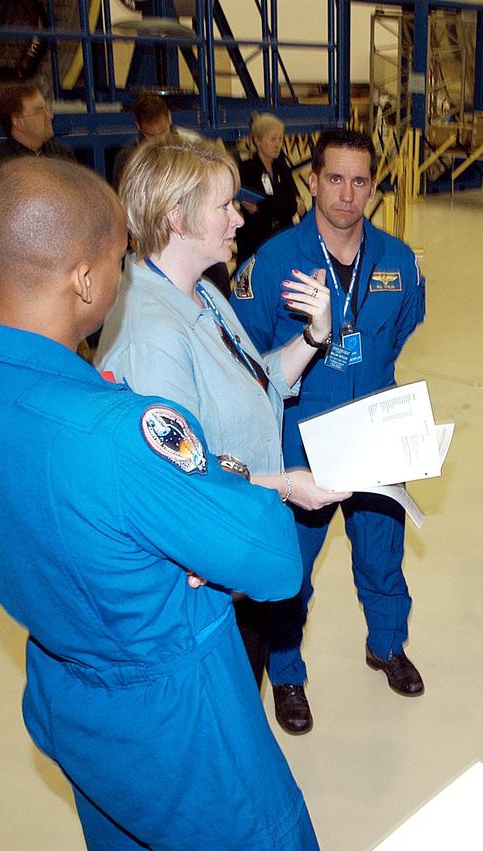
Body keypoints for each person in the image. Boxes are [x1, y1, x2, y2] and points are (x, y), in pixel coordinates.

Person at [0, 156, 319, 850]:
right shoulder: (114, 432)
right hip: (184, 725)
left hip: (74, 701)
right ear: (83, 279)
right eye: (115, 260)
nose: (123, 276)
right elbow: (274, 559)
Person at [95, 135, 350, 714]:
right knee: (217, 719)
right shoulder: (152, 333)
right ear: (177, 218)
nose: (240, 217)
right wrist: (287, 485)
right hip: (199, 574)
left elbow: (259, 381)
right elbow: (184, 481)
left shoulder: (201, 295)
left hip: (236, 542)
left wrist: (314, 336)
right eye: (225, 206)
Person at [231, 128, 427, 720]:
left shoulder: (399, 260)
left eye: (360, 180)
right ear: (313, 181)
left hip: (373, 430)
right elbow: (247, 354)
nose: (347, 193)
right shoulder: (273, 262)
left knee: (381, 552)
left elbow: (400, 331)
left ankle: (388, 645)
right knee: (293, 564)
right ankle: (287, 674)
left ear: (373, 186)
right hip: (300, 437)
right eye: (334, 178)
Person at [0, 81, 76, 185]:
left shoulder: (63, 156)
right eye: (39, 111)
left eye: (47, 109)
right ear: (17, 122)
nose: (50, 116)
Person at [237, 112, 301, 266]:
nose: (277, 144)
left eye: (280, 139)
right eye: (273, 139)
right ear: (257, 140)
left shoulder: (283, 169)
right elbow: (253, 208)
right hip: (256, 244)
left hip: (282, 241)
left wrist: (262, 206)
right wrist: (276, 205)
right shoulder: (246, 170)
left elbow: (292, 205)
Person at [110, 93, 200, 190]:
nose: (158, 140)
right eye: (150, 135)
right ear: (138, 126)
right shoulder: (127, 159)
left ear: (169, 117)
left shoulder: (192, 145)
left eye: (162, 132)